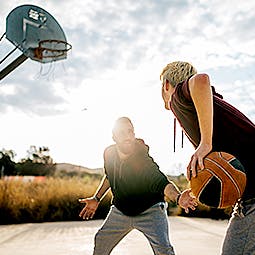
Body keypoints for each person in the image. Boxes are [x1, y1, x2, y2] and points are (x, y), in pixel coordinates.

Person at [159, 61, 255, 255]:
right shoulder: (205, 105)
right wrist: (200, 184)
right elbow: (224, 161)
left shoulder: (179, 96)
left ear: (166, 85)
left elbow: (201, 80)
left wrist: (205, 144)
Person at [79, 116, 197, 255]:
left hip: (150, 210)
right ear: (114, 137)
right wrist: (97, 198)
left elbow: (161, 182)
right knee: (101, 240)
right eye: (122, 133)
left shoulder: (142, 159)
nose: (128, 136)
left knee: (164, 250)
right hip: (121, 211)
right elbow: (110, 176)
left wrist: (177, 198)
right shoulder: (109, 153)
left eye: (130, 132)